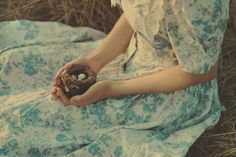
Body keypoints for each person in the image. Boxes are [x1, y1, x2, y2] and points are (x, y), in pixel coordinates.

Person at [0, 0, 230, 156]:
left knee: (27, 126)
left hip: (170, 89)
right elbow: (140, 15)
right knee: (11, 64)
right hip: (130, 55)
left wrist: (112, 88)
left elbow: (200, 71)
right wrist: (96, 60)